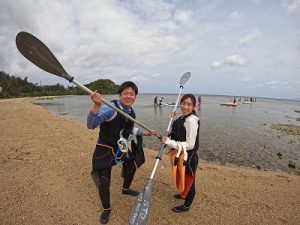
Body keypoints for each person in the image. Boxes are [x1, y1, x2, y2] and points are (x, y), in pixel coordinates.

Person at [87, 81, 156, 224]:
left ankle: (125, 189)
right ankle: (106, 209)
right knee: (104, 182)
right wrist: (96, 105)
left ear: (135, 96)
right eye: (125, 93)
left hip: (120, 147)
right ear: (119, 95)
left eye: (132, 94)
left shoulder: (131, 112)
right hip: (105, 148)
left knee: (131, 166)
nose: (128, 96)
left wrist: (146, 133)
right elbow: (91, 125)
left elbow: (129, 129)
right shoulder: (110, 109)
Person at [161, 94, 200, 213]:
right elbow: (178, 129)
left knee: (190, 180)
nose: (185, 106)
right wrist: (173, 119)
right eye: (183, 103)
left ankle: (186, 206)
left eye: (189, 104)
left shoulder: (192, 121)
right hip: (180, 154)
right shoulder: (183, 117)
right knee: (181, 176)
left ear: (193, 106)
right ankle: (184, 193)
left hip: (189, 156)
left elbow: (190, 145)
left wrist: (168, 142)